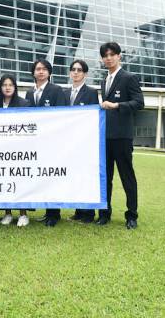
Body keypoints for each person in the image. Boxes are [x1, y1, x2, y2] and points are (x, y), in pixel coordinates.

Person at [97, 42, 144, 230]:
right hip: (105, 138)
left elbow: (139, 103)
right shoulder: (104, 81)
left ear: (119, 56)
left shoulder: (129, 78)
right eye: (105, 55)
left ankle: (131, 216)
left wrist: (117, 105)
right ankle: (104, 213)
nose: (108, 58)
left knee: (127, 177)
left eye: (112, 54)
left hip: (123, 137)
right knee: (105, 177)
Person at [25, 58, 67, 227]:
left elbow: (62, 115)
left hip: (52, 140)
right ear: (33, 73)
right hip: (35, 142)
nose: (41, 71)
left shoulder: (56, 90)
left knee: (52, 175)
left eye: (44, 69)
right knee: (41, 175)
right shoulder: (30, 92)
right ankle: (46, 210)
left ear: (49, 72)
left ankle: (54, 214)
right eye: (38, 69)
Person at [64, 59, 100, 224]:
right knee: (74, 175)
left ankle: (88, 213)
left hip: (85, 142)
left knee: (85, 176)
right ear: (70, 72)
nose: (76, 72)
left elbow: (94, 117)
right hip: (68, 142)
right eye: (73, 69)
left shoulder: (91, 93)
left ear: (85, 74)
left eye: (79, 70)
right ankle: (78, 211)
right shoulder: (64, 93)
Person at [0, 74, 31, 227]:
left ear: (15, 87)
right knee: (4, 181)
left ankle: (23, 214)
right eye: (4, 85)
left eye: (10, 85)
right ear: (0, 87)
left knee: (19, 182)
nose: (7, 87)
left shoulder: (24, 103)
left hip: (18, 149)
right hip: (0, 150)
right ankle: (7, 213)